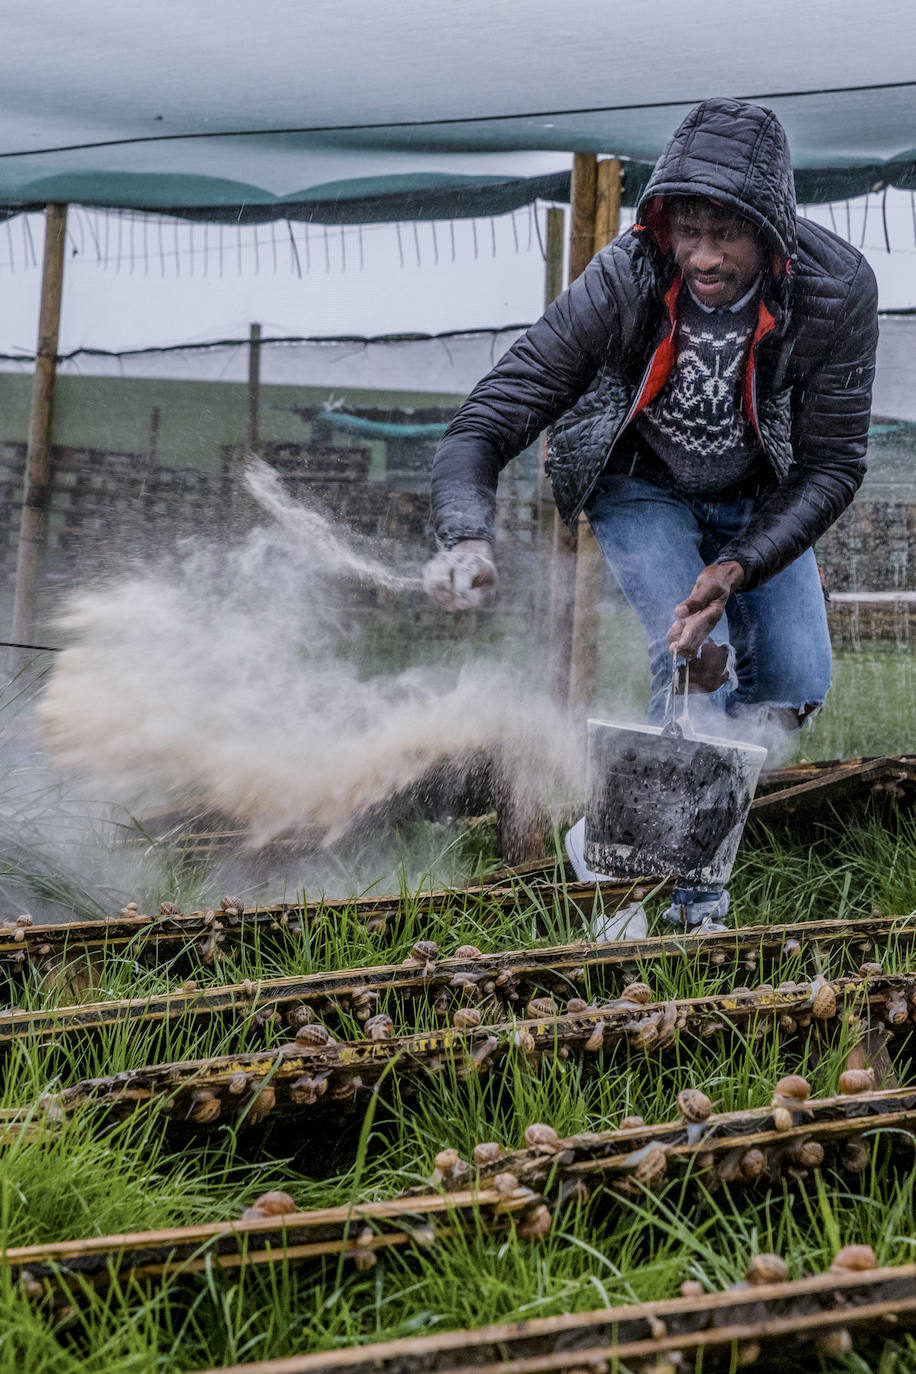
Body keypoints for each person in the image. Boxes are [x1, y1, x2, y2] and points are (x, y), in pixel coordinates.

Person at [423, 96, 879, 933]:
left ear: (771, 234)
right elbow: (492, 414)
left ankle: (611, 834)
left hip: (760, 494)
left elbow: (832, 464)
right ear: (663, 223)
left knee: (789, 683)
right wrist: (464, 534)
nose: (702, 257)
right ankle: (675, 905)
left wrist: (740, 564)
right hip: (640, 482)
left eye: (727, 236)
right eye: (688, 233)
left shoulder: (836, 289)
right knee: (694, 667)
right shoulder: (627, 273)